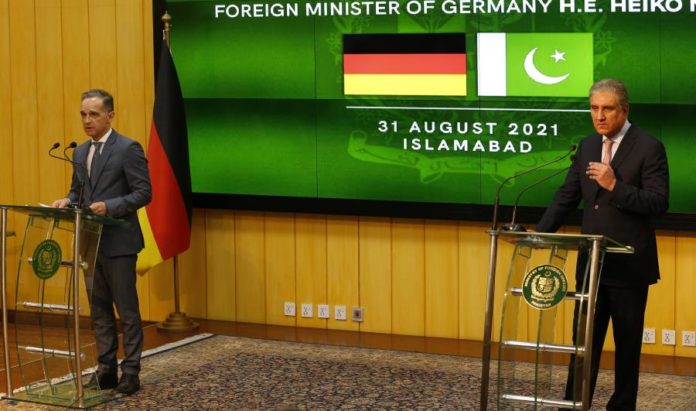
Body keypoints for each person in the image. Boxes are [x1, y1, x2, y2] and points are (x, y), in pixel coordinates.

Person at [536, 79, 669, 410]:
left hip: (629, 266)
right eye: (594, 108)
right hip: (592, 265)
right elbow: (568, 195)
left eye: (607, 109)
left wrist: (615, 186)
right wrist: (540, 233)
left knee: (626, 346)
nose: (599, 116)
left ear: (624, 109)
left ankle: (621, 406)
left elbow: (658, 202)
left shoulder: (649, 147)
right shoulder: (587, 146)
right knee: (582, 343)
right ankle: (574, 403)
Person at [53, 89, 152, 395]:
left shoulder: (127, 148)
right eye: (83, 114)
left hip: (119, 242)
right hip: (90, 241)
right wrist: (67, 200)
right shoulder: (80, 152)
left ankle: (131, 372)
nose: (87, 120)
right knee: (99, 310)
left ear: (110, 116)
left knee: (127, 311)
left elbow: (143, 193)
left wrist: (110, 206)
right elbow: (78, 191)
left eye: (93, 114)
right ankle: (106, 369)